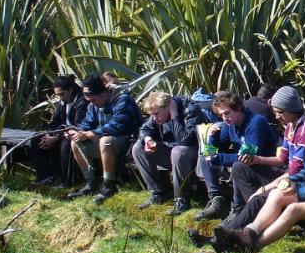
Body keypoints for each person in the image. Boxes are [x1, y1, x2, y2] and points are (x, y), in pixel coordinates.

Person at [211, 97, 305, 253]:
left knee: (293, 209)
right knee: (277, 194)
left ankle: (252, 247)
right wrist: (290, 182)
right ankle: (249, 233)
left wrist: (297, 189)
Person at [193, 91, 278, 221]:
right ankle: (216, 200)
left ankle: (237, 208)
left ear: (238, 109)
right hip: (245, 162)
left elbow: (248, 156)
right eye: (221, 115)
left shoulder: (255, 122)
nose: (224, 118)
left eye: (227, 113)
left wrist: (218, 157)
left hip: (262, 167)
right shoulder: (230, 125)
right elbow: (217, 149)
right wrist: (212, 137)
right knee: (206, 158)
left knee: (238, 165)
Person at [226, 86, 305, 213]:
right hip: (286, 172)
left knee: (258, 194)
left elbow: (295, 170)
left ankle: (254, 211)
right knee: (239, 167)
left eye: (279, 112)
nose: (276, 116)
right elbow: (282, 159)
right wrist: (258, 160)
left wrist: (265, 189)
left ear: (291, 109)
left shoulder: (304, 130)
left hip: (298, 179)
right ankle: (257, 211)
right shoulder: (289, 127)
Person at [65, 73, 142, 204]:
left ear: (103, 93)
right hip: (105, 140)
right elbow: (87, 123)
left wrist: (91, 133)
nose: (92, 104)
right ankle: (90, 183)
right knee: (76, 142)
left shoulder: (123, 99)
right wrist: (77, 131)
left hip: (128, 141)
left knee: (105, 141)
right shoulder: (93, 105)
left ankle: (109, 185)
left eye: (94, 100)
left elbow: (117, 126)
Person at [131, 91, 199, 215]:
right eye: (152, 115)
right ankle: (159, 192)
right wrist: (148, 139)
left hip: (192, 155)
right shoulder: (158, 113)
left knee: (178, 151)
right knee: (138, 148)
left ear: (168, 106)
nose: (155, 118)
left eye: (157, 114)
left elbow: (184, 141)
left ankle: (182, 199)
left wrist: (174, 116)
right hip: (172, 153)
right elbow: (144, 129)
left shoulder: (190, 110)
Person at [29, 74, 88, 187]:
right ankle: (45, 176)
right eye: (58, 95)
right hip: (62, 133)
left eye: (62, 94)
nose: (60, 97)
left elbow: (78, 125)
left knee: (66, 145)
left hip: (77, 134)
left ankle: (67, 181)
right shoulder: (62, 102)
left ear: (70, 90)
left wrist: (56, 138)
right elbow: (55, 122)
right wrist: (48, 135)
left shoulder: (82, 101)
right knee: (36, 139)